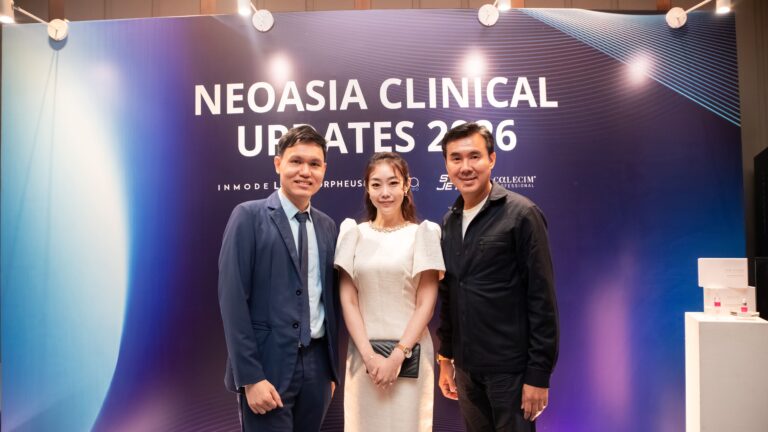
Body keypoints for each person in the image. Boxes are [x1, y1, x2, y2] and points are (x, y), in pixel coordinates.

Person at [436, 123, 559, 432]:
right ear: (447, 165)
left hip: (511, 372)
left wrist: (538, 375)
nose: (465, 167)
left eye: (474, 156)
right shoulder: (449, 221)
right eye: (456, 158)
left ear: (491, 159)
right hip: (467, 371)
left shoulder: (522, 214)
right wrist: (446, 357)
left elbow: (542, 299)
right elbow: (450, 294)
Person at [218, 125, 340, 432]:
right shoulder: (248, 216)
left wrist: (329, 372)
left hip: (317, 368)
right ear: (278, 164)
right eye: (296, 161)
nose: (305, 171)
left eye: (314, 164)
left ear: (324, 170)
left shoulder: (327, 226)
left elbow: (327, 299)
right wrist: (251, 377)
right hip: (266, 367)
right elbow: (233, 301)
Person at [334, 152, 445, 432]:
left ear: (406, 185)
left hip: (411, 355)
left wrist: (397, 356)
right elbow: (348, 300)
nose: (385, 193)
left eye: (393, 183)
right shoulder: (353, 233)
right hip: (363, 358)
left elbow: (426, 303)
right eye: (376, 184)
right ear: (367, 188)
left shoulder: (423, 233)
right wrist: (370, 357)